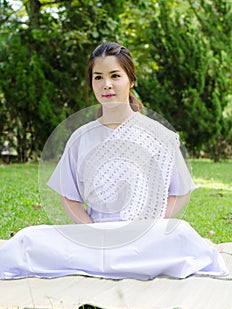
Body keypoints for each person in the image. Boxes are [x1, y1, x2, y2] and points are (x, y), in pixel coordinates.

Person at [0, 42, 228, 280]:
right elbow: (69, 196)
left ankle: (120, 259)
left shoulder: (159, 135)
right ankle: (109, 260)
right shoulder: (81, 138)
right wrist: (91, 232)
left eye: (115, 76)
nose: (106, 84)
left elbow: (180, 192)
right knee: (27, 240)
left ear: (131, 80)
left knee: (181, 234)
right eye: (98, 77)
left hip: (146, 237)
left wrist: (154, 225)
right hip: (94, 236)